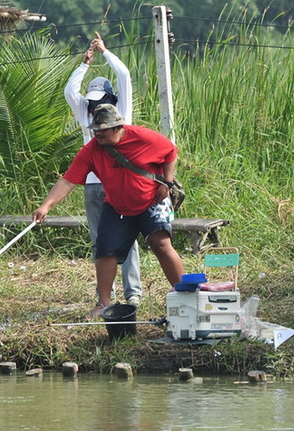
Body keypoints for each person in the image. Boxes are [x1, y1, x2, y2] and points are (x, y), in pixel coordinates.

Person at [32, 104, 184, 319]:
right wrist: (45, 206)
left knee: (160, 243)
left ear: (118, 127)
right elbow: (68, 181)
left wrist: (166, 183)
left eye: (103, 129)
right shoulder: (91, 150)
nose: (98, 134)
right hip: (117, 205)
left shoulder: (144, 137)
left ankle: (184, 292)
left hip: (151, 200)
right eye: (96, 129)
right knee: (105, 251)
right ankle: (103, 303)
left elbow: (170, 152)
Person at [64, 32, 142, 306]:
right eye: (93, 101)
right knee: (100, 243)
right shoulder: (85, 112)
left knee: (128, 237)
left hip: (121, 184)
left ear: (111, 97)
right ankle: (104, 296)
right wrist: (85, 63)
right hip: (95, 186)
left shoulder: (122, 111)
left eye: (101, 100)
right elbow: (69, 92)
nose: (97, 107)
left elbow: (124, 76)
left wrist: (105, 52)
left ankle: (133, 293)